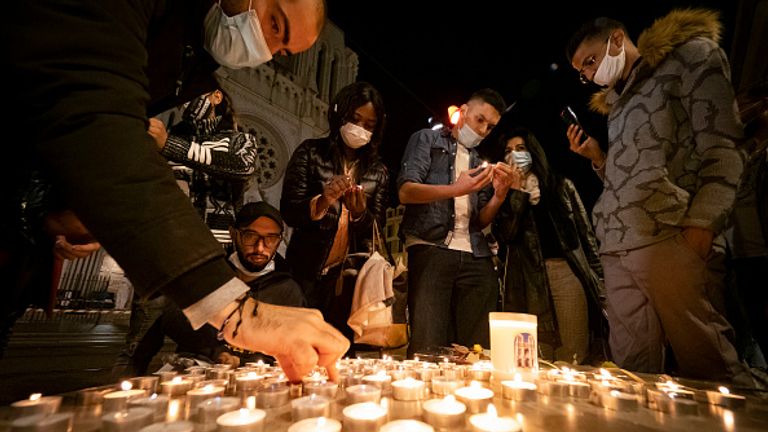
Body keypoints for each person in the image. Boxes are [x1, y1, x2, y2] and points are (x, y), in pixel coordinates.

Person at [3, 0, 349, 381]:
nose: (265, 53)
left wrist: (70, 206)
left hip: (166, 239)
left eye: (281, 51)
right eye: (274, 24)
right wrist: (239, 312)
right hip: (176, 244)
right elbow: (98, 121)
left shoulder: (190, 57)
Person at [564, 9, 751, 385]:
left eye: (590, 61)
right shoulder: (616, 104)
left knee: (710, 368)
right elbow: (634, 173)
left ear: (617, 39)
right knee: (634, 374)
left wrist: (703, 224)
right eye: (582, 71)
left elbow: (723, 144)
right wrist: (599, 159)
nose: (587, 75)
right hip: (619, 245)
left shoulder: (691, 57)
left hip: (669, 236)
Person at [113, 201, 307, 377]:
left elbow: (287, 349)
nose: (260, 248)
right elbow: (172, 320)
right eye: (250, 236)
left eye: (271, 239)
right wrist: (215, 352)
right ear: (233, 234)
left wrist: (240, 361)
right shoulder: (210, 276)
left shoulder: (287, 289)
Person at [397, 88, 514, 357]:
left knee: (477, 347)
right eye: (480, 120)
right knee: (428, 343)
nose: (484, 130)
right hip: (431, 244)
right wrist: (455, 189)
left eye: (490, 127)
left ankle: (471, 395)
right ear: (463, 112)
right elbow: (406, 191)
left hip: (475, 253)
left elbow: (481, 219)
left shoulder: (479, 160)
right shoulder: (427, 139)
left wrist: (499, 195)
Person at [280, 82, 389, 352]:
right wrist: (323, 200)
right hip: (306, 270)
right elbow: (290, 210)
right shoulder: (310, 152)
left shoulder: (379, 171)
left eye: (369, 124)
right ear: (339, 114)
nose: (360, 129)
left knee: (339, 353)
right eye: (354, 120)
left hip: (349, 281)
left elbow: (377, 227)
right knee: (299, 349)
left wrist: (360, 214)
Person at [492, 127, 606, 364]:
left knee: (573, 352)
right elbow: (507, 236)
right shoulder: (504, 196)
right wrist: (515, 193)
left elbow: (586, 237)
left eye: (521, 149)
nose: (514, 155)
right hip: (528, 281)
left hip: (566, 274)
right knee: (536, 356)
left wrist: (599, 281)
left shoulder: (560, 185)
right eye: (509, 151)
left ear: (533, 152)